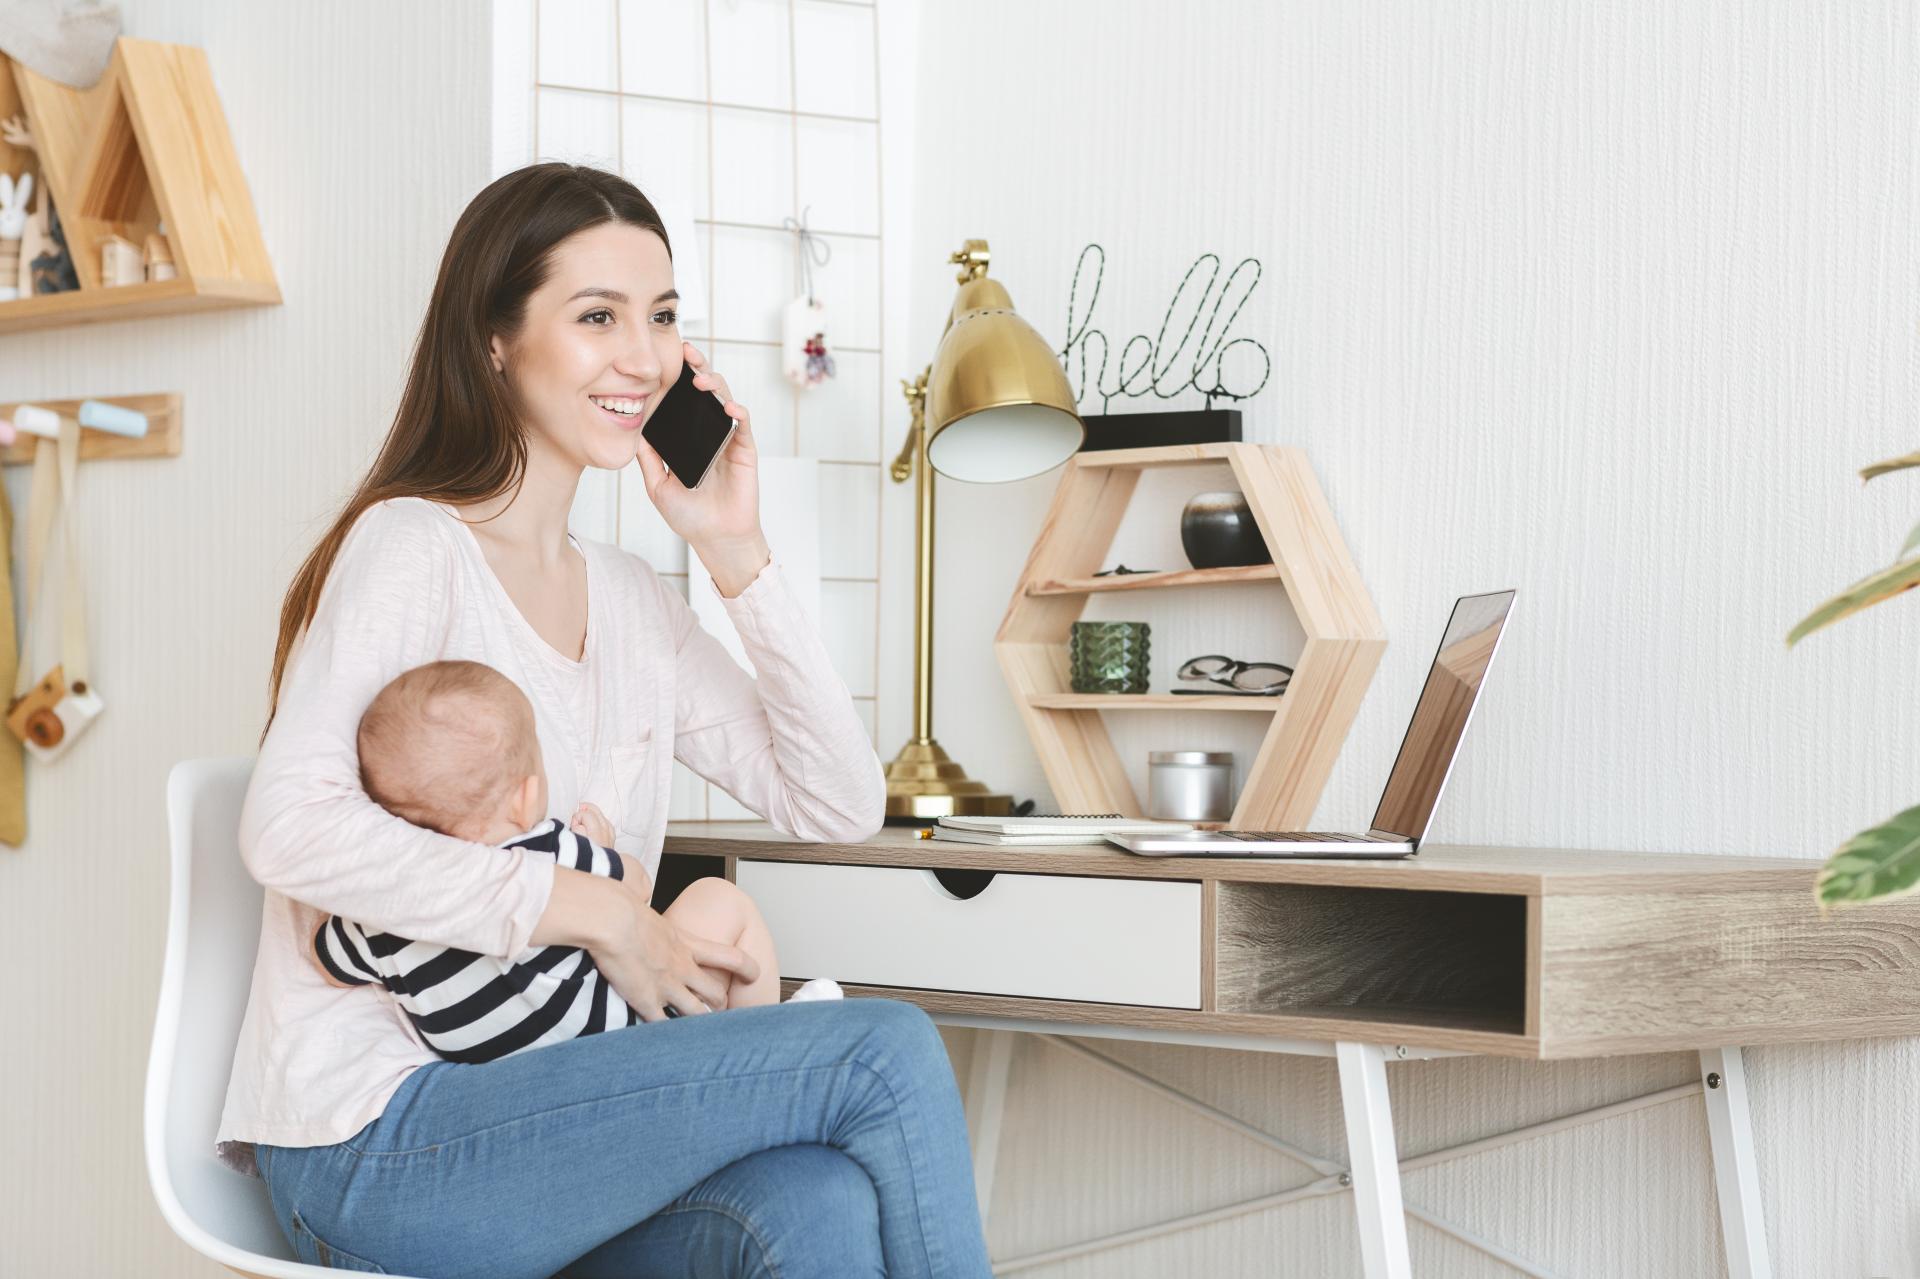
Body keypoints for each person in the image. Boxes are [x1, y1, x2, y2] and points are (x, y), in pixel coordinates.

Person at [218, 161, 994, 1278]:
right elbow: (285, 829)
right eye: (597, 317)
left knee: (814, 1200)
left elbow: (836, 803)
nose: (645, 356)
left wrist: (732, 550)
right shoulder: (411, 547)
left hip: (545, 1133)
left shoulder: (633, 596)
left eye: (664, 317)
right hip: (381, 1143)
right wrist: (595, 911)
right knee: (883, 1054)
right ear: (495, 340)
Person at [310, 658, 840, 1064]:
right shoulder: (543, 851)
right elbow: (633, 892)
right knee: (718, 900)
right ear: (525, 798)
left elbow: (329, 965)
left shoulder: (377, 911)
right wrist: (605, 851)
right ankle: (769, 1054)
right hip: (615, 1040)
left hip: (507, 1085)